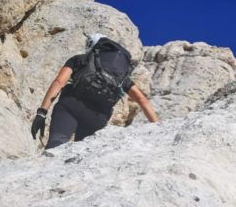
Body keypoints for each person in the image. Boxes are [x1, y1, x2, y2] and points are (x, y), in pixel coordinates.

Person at [31, 33, 159, 149]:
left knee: (57, 144)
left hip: (70, 106)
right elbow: (142, 100)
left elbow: (59, 82)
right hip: (97, 117)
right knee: (82, 155)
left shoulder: (80, 59)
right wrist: (158, 128)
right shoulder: (120, 75)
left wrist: (42, 113)